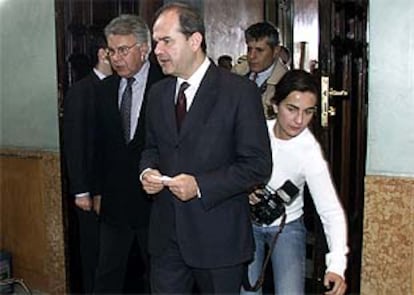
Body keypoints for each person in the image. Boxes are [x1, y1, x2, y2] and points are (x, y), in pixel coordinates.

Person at [139, 2, 272, 294]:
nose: (157, 51)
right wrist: (147, 172)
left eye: (166, 41)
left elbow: (257, 166)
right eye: (155, 42)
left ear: (195, 40)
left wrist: (200, 185)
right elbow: (150, 148)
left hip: (218, 240)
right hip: (166, 238)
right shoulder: (159, 93)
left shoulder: (239, 93)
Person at [241, 70, 348, 295]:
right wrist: (244, 190)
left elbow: (330, 210)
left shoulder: (309, 152)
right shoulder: (255, 133)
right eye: (292, 109)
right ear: (275, 105)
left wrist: (337, 266)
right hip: (246, 223)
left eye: (308, 112)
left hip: (286, 225)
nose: (300, 121)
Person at [93, 14, 164, 293]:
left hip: (156, 204)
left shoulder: (166, 85)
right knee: (107, 275)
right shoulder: (104, 90)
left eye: (123, 50)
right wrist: (96, 191)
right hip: (114, 204)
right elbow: (99, 146)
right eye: (112, 51)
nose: (116, 58)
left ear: (144, 49)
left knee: (158, 275)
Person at [63, 32, 112, 294]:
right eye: (115, 50)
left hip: (115, 191)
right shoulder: (81, 92)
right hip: (90, 192)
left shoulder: (120, 86)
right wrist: (82, 190)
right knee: (94, 255)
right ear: (103, 54)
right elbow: (75, 144)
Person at [232, 22, 288, 119]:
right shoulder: (236, 74)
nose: (251, 56)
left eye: (259, 50)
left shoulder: (286, 83)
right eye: (249, 49)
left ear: (275, 51)